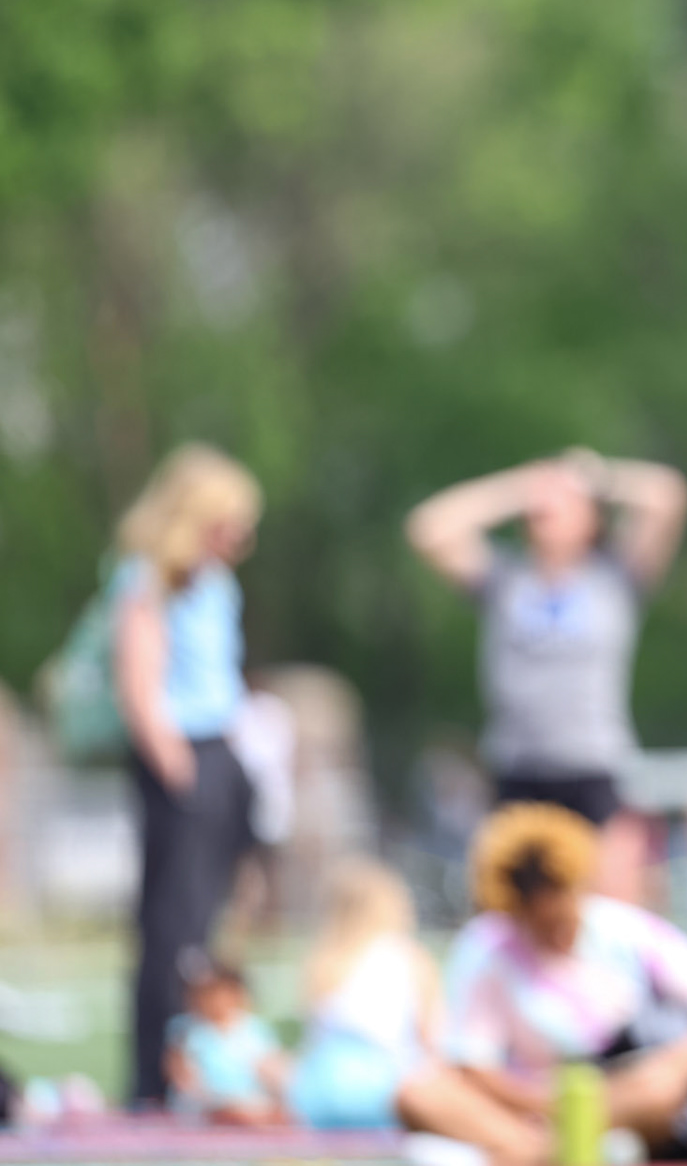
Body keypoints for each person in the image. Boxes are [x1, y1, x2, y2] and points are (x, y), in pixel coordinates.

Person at [443, 804, 687, 1161]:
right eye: (543, 926)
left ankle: (542, 1151)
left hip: (624, 1097)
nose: (558, 935)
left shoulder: (623, 931)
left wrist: (673, 1064)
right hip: (529, 1102)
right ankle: (543, 1145)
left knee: (657, 1090)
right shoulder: (487, 949)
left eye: (564, 919)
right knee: (420, 1092)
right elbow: (472, 1064)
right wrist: (543, 1103)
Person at [405, 450, 687, 827]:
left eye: (566, 503)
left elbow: (668, 496)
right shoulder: (505, 580)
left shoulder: (615, 579)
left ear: (591, 518)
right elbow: (428, 529)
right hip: (518, 770)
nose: (549, 509)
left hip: (592, 769)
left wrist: (596, 478)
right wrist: (518, 487)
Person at [112, 443, 262, 1106]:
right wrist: (177, 766)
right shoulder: (147, 578)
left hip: (221, 747)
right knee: (171, 928)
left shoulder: (216, 580)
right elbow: (140, 681)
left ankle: (203, 1065)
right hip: (181, 755)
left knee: (209, 924)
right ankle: (153, 1078)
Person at [287, 859, 545, 1166]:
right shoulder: (406, 957)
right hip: (387, 1091)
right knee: (507, 1139)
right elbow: (434, 1043)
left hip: (314, 1095)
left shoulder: (325, 963)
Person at [165, 957, 285, 1126]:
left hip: (248, 1101)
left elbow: (273, 1069)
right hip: (206, 1105)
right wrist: (212, 1099)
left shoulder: (253, 1030)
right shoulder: (185, 1030)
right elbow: (183, 1078)